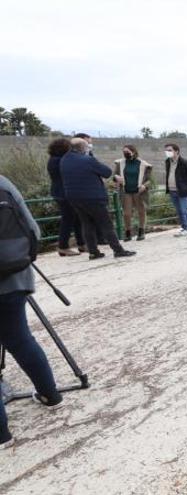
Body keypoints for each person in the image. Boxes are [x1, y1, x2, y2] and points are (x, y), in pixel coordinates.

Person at [0, 175, 63, 450]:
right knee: (21, 340)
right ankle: (50, 395)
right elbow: (33, 232)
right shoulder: (3, 183)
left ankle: (2, 434)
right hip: (15, 279)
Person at [60, 138, 136, 259]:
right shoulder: (87, 159)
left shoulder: (64, 160)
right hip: (92, 197)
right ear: (83, 148)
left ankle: (93, 252)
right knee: (106, 224)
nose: (89, 148)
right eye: (87, 147)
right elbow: (107, 172)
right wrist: (90, 157)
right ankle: (118, 250)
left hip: (74, 198)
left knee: (86, 224)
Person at [46, 138, 85, 256]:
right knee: (67, 219)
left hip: (60, 192)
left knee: (77, 218)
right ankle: (63, 246)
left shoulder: (53, 159)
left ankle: (82, 244)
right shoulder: (60, 160)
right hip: (64, 193)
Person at [112, 145, 152, 241]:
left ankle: (141, 231)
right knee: (127, 213)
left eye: (127, 152)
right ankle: (128, 232)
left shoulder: (143, 164)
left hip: (139, 191)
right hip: (126, 191)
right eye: (124, 152)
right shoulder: (120, 163)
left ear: (133, 152)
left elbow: (150, 180)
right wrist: (116, 177)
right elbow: (114, 176)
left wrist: (144, 186)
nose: (126, 154)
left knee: (141, 211)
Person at [73, 133, 107, 245]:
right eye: (88, 141)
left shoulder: (88, 155)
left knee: (91, 221)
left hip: (82, 194)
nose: (90, 143)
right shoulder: (81, 158)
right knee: (92, 220)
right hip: (88, 194)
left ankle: (98, 242)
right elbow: (105, 171)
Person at [163, 143, 187, 240]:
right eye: (166, 150)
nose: (167, 152)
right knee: (179, 211)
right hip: (172, 190)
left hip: (182, 191)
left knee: (185, 210)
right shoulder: (167, 162)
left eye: (169, 150)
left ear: (176, 151)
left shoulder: (184, 162)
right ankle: (184, 228)